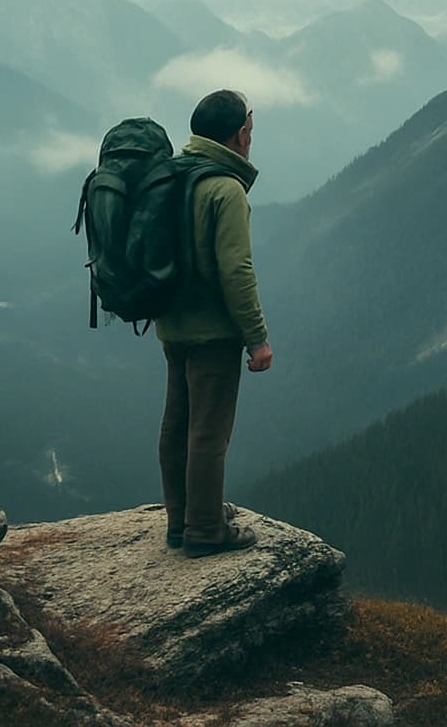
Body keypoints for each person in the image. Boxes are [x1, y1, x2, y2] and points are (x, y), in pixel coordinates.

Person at [154, 89, 273, 557]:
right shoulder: (224, 189)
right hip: (213, 332)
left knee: (177, 422)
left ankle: (180, 519)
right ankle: (205, 530)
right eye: (249, 127)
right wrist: (256, 338)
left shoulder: (174, 175)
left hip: (171, 323)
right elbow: (236, 271)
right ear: (240, 134)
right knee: (209, 431)